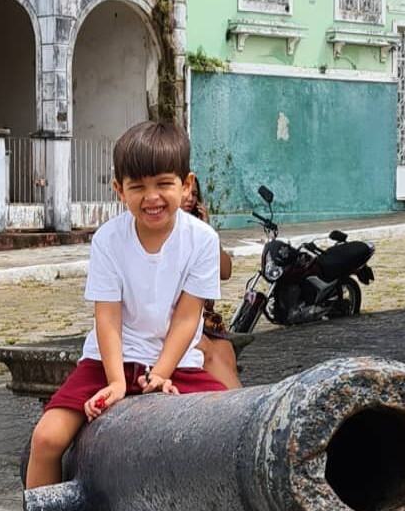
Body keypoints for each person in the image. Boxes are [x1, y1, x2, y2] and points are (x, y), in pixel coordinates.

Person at [24, 121, 228, 490]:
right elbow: (108, 318)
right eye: (138, 187)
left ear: (186, 185)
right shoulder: (108, 240)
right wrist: (117, 381)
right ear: (120, 190)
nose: (152, 197)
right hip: (108, 363)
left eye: (163, 184)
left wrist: (160, 374)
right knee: (46, 439)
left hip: (177, 364)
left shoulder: (202, 241)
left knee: (232, 433)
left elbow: (187, 319)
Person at [182, 178, 242, 390]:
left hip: (206, 320)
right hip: (180, 320)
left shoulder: (201, 234)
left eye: (194, 194)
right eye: (185, 192)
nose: (190, 198)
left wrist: (208, 232)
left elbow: (225, 272)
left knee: (227, 360)